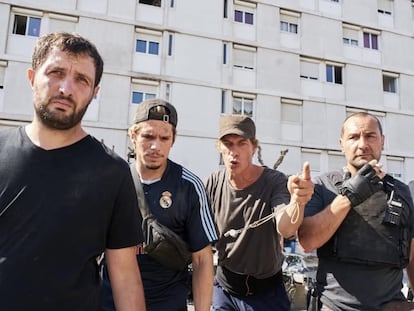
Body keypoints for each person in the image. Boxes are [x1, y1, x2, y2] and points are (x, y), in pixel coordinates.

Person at [0, 32, 146, 311]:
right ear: (32, 77)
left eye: (82, 79)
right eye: (56, 72)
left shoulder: (112, 172)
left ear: (94, 93)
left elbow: (126, 278)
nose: (66, 88)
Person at [101, 98, 218, 311]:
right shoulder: (112, 182)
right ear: (133, 136)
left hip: (167, 303)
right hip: (112, 302)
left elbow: (202, 259)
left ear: (173, 140)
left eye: (164, 138)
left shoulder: (189, 186)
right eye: (148, 136)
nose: (156, 146)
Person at [298, 112, 414, 311]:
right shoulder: (323, 186)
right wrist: (350, 195)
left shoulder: (403, 192)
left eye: (370, 136)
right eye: (353, 137)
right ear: (341, 143)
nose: (362, 144)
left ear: (382, 141)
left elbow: (411, 254)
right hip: (335, 307)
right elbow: (307, 241)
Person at [204, 114, 314, 310]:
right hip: (225, 288)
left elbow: (286, 228)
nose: (234, 152)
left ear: (254, 147)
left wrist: (298, 202)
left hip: (267, 294)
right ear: (219, 147)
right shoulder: (212, 183)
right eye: (228, 144)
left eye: (241, 144)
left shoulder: (274, 181)